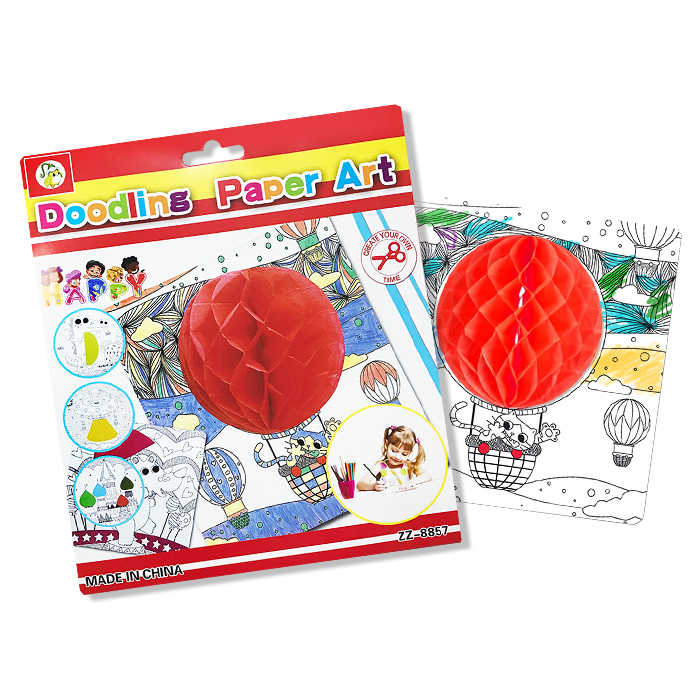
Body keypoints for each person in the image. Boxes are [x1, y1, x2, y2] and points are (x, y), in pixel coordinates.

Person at [357, 425, 431, 491]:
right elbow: (360, 484)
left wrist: (413, 481)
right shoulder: (380, 465)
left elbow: (428, 475)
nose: (397, 457)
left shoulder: (407, 465)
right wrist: (374, 486)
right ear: (386, 445)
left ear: (409, 453)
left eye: (404, 454)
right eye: (394, 451)